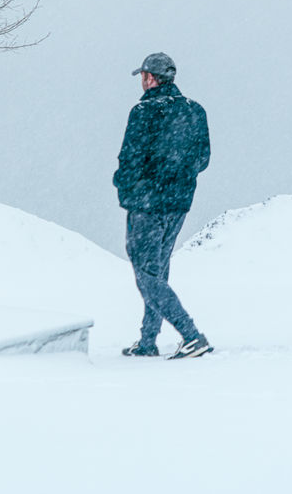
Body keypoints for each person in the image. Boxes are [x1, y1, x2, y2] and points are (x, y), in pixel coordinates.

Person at [113, 52, 212, 359]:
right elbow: (203, 159)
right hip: (178, 204)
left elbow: (130, 158)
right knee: (158, 270)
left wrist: (126, 184)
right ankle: (147, 341)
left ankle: (192, 335)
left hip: (147, 205)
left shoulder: (143, 111)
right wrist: (178, 178)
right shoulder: (195, 111)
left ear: (150, 78)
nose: (142, 82)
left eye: (143, 76)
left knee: (145, 274)